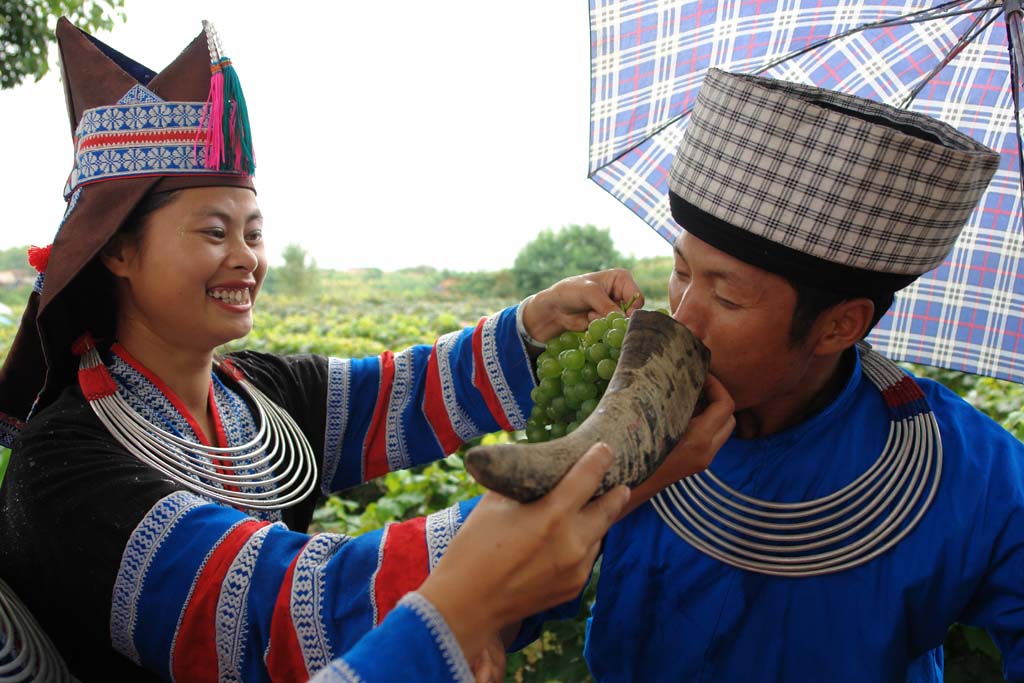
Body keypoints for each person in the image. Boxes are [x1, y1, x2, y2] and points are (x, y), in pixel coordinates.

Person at [0, 19, 735, 683]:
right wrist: (605, 491)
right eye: (213, 232)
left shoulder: (255, 394)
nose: (245, 259)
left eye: (253, 233)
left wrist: (533, 326)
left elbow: (400, 392)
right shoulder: (65, 466)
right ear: (119, 253)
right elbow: (282, 611)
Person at [571, 68, 1024, 682]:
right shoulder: (624, 414)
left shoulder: (974, 475)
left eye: (727, 299)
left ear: (839, 326)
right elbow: (507, 589)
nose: (682, 319)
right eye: (681, 272)